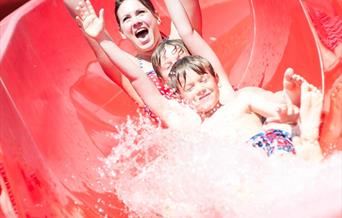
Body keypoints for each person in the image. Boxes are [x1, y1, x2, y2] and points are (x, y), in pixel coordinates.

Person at [63, 0, 202, 108]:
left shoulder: (183, 44)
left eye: (140, 12)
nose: (136, 22)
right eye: (126, 19)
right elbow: (84, 15)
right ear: (121, 32)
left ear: (157, 17)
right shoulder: (127, 70)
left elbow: (187, 5)